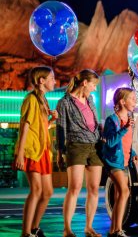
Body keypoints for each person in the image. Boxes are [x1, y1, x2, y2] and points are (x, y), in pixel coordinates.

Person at [56, 69, 102, 237]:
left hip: (94, 146)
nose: (94, 88)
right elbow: (61, 129)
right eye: (93, 85)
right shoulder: (65, 102)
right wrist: (59, 152)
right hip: (76, 145)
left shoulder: (90, 99)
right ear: (84, 83)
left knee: (94, 188)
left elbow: (94, 122)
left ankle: (88, 228)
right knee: (74, 187)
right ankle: (67, 229)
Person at [13, 66, 57, 237]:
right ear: (41, 81)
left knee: (48, 192)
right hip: (32, 150)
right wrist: (20, 154)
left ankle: (34, 228)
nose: (54, 81)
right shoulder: (31, 99)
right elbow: (25, 127)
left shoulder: (43, 100)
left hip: (43, 149)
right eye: (52, 78)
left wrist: (52, 120)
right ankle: (26, 232)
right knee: (37, 190)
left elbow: (41, 128)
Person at [103, 87, 138, 237]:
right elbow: (110, 142)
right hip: (113, 162)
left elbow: (127, 142)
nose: (135, 101)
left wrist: (134, 154)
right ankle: (117, 230)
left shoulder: (129, 120)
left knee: (120, 195)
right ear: (122, 101)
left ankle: (114, 230)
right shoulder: (113, 120)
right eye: (132, 98)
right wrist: (124, 129)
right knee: (125, 192)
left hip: (124, 162)